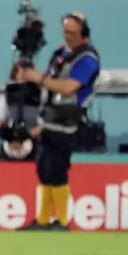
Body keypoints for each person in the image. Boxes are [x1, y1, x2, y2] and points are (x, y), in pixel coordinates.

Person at [18, 12, 100, 231]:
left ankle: (62, 220)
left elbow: (68, 87)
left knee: (58, 169)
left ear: (83, 32)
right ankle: (43, 219)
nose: (68, 36)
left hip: (68, 121)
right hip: (49, 118)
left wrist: (38, 78)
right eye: (65, 31)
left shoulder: (87, 59)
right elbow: (48, 81)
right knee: (44, 168)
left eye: (72, 32)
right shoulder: (59, 53)